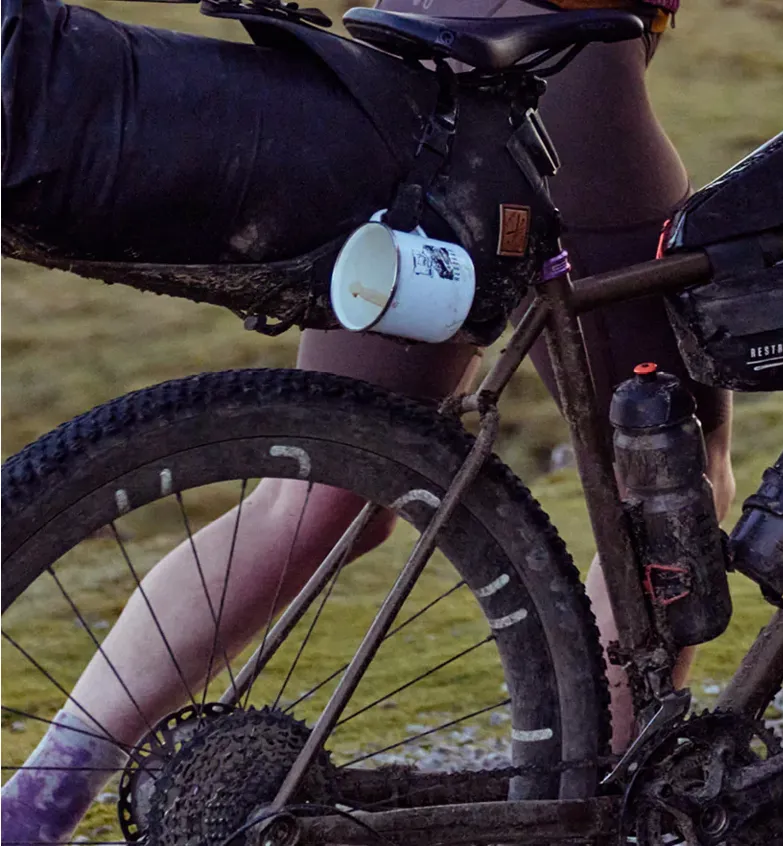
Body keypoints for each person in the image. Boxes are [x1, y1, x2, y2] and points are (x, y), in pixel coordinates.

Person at [0, 0, 723, 840]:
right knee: (670, 478)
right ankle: (608, 813)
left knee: (319, 491)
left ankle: (34, 806)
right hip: (568, 80)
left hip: (423, 65)